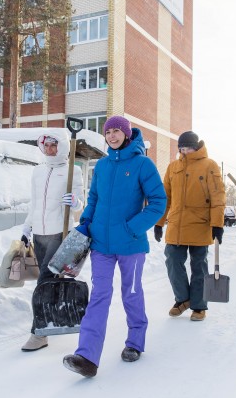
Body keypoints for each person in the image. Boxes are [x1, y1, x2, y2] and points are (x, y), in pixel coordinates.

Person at [62, 115, 166, 378]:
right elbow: (94, 198)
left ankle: (135, 342)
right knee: (99, 296)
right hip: (101, 245)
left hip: (131, 244)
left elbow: (157, 202)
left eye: (117, 131)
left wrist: (132, 228)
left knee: (130, 293)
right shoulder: (103, 165)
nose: (112, 136)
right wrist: (86, 222)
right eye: (108, 132)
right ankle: (86, 356)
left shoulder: (143, 164)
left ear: (127, 134)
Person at [20, 130, 84, 352]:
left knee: (44, 282)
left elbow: (79, 206)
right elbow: (35, 203)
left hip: (60, 233)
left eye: (53, 145)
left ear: (63, 147)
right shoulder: (38, 172)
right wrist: (27, 229)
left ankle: (39, 334)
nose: (49, 149)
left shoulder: (72, 170)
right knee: (47, 282)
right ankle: (53, 320)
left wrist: (75, 202)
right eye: (45, 145)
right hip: (39, 234)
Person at [153, 131, 225, 322]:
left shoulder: (209, 165)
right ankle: (182, 299)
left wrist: (217, 224)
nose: (184, 150)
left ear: (196, 145)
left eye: (187, 146)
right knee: (172, 262)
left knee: (199, 266)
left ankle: (199, 306)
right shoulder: (173, 167)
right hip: (176, 225)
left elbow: (218, 197)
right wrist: (159, 223)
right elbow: (165, 197)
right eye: (181, 147)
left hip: (201, 225)